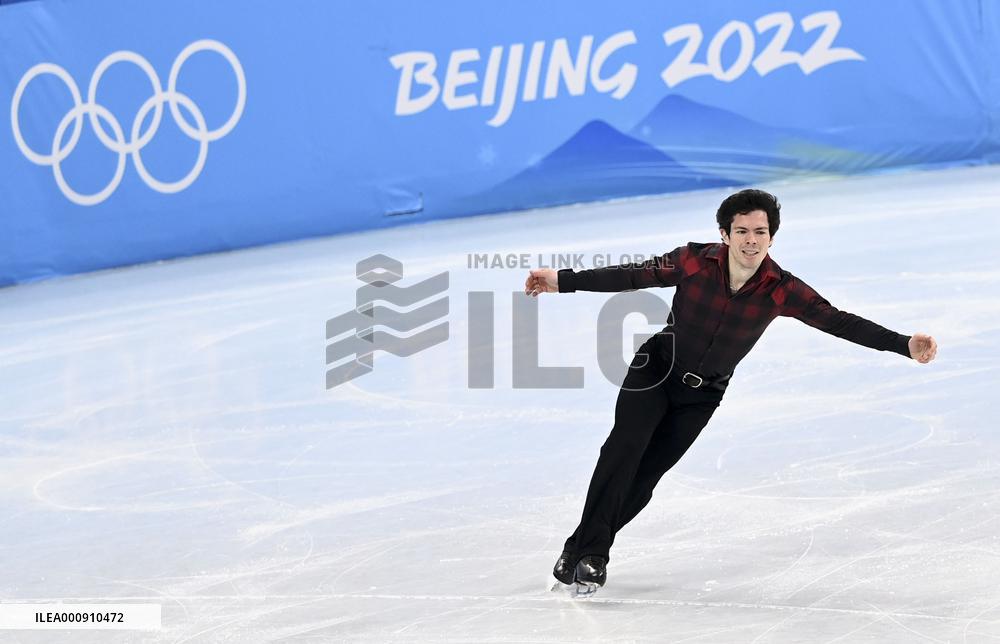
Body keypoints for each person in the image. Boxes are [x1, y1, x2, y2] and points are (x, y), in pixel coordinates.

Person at [522, 189, 937, 596]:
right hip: (656, 370)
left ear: (772, 237)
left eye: (760, 231)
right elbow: (634, 274)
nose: (751, 240)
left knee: (645, 478)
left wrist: (903, 344)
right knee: (622, 451)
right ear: (725, 234)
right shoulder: (692, 261)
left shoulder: (781, 289)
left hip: (702, 396)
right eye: (742, 231)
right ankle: (595, 556)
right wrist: (563, 281)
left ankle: (577, 547)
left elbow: (839, 321)